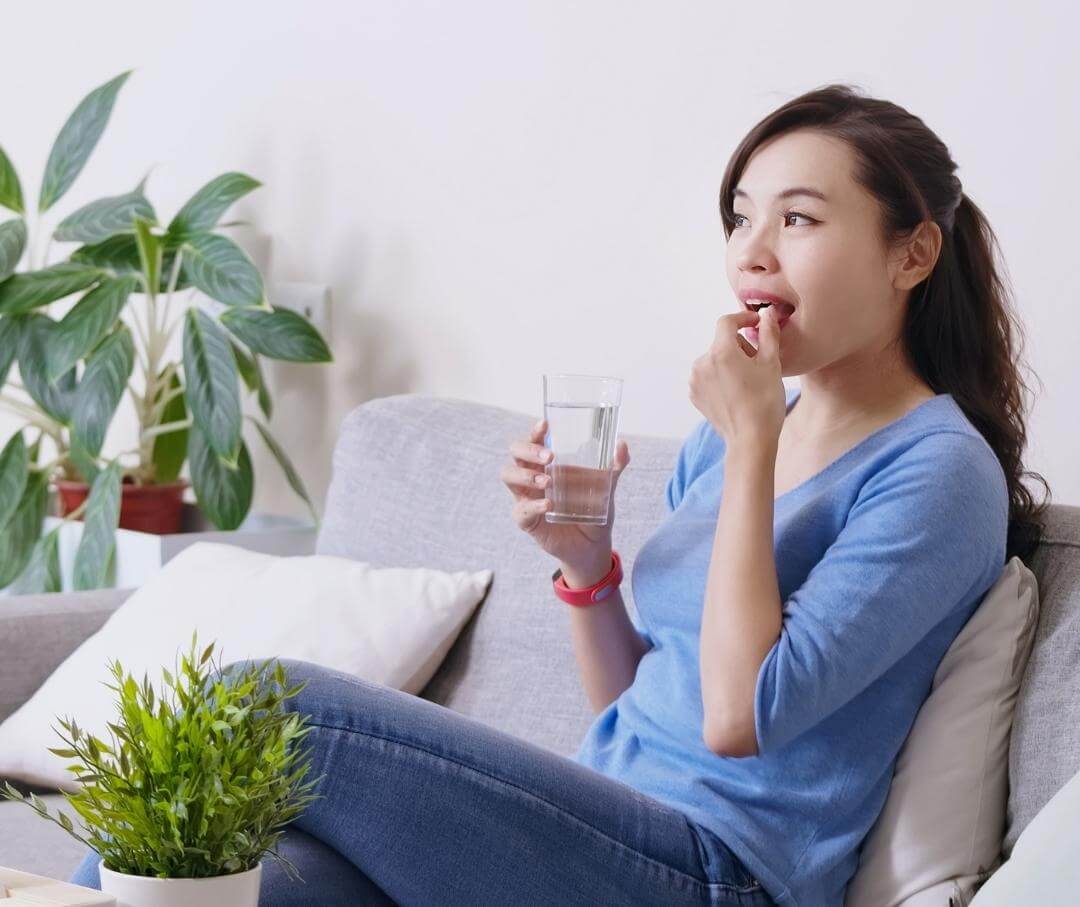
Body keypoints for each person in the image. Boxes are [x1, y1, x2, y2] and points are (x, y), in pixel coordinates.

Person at [70, 83, 1050, 906]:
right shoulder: (732, 427)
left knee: (256, 702)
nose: (752, 250)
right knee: (242, 877)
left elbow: (739, 718)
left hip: (716, 874)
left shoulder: (934, 472)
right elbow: (638, 703)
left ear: (912, 253)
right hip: (602, 824)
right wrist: (587, 566)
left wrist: (756, 441)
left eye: (797, 218)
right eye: (741, 216)